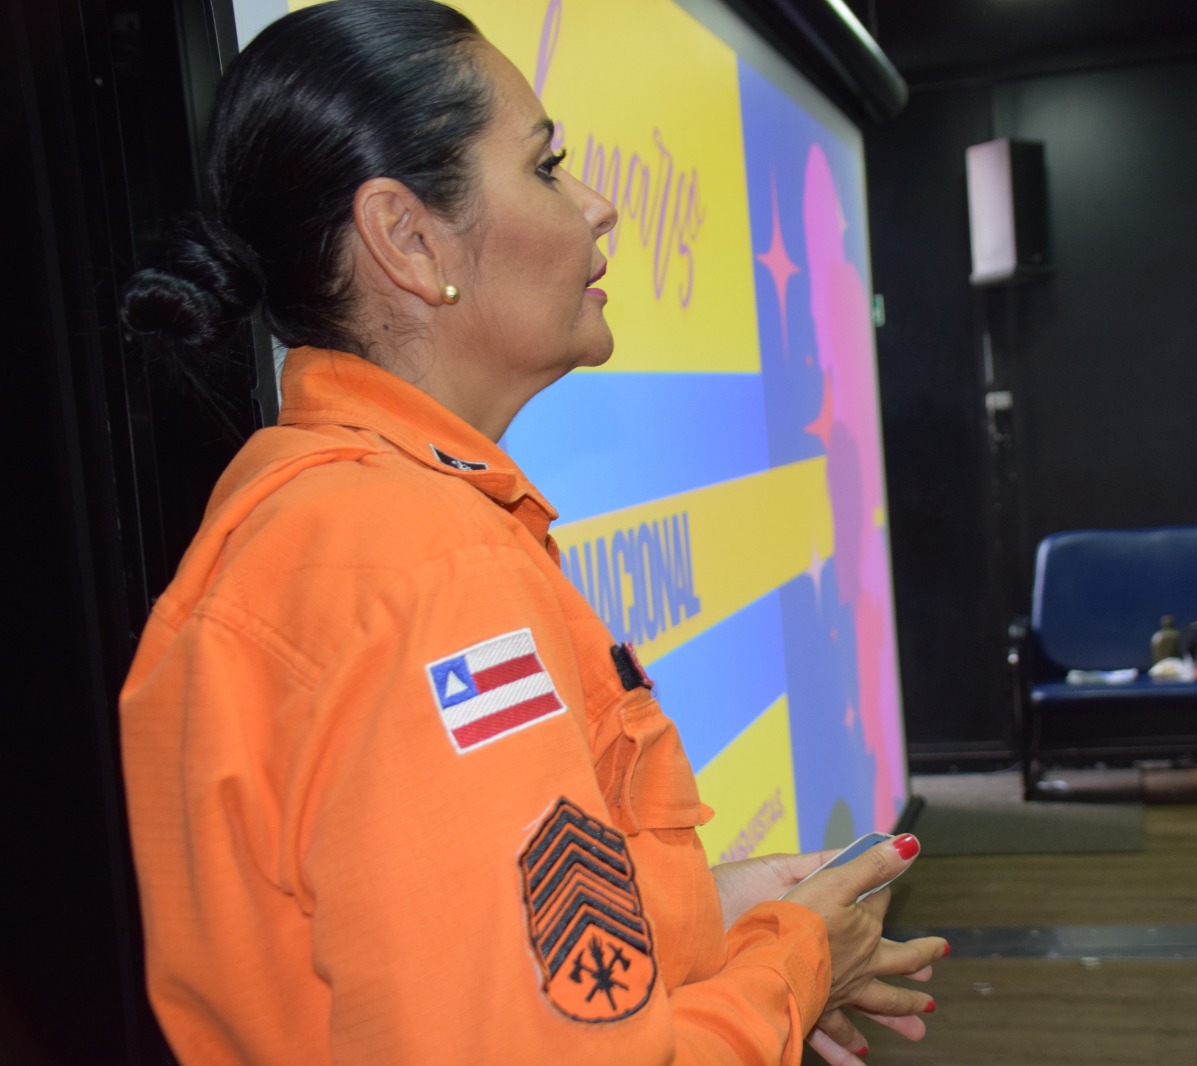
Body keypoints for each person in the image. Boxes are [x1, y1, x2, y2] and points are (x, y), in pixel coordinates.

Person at [117, 3, 944, 1062]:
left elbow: (449, 951)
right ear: (407, 239)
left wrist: (708, 914)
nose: (598, 204)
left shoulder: (317, 518)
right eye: (547, 166)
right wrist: (792, 965)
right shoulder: (429, 569)